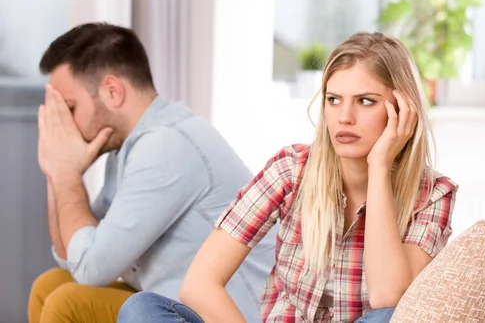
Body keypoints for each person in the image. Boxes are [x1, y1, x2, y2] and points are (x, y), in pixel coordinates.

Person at [118, 32, 458, 323]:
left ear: (403, 110)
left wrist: (380, 166)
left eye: (365, 101)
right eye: (333, 100)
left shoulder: (432, 194)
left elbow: (388, 296)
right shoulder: (291, 168)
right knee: (142, 309)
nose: (344, 117)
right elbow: (200, 283)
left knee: (389, 319)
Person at [28, 22, 275, 323]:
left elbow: (90, 268)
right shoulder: (128, 150)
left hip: (228, 315)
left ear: (112, 91)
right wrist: (55, 170)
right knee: (50, 286)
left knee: (69, 303)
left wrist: (66, 173)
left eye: (68, 109)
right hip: (167, 302)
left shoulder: (166, 146)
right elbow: (72, 256)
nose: (64, 126)